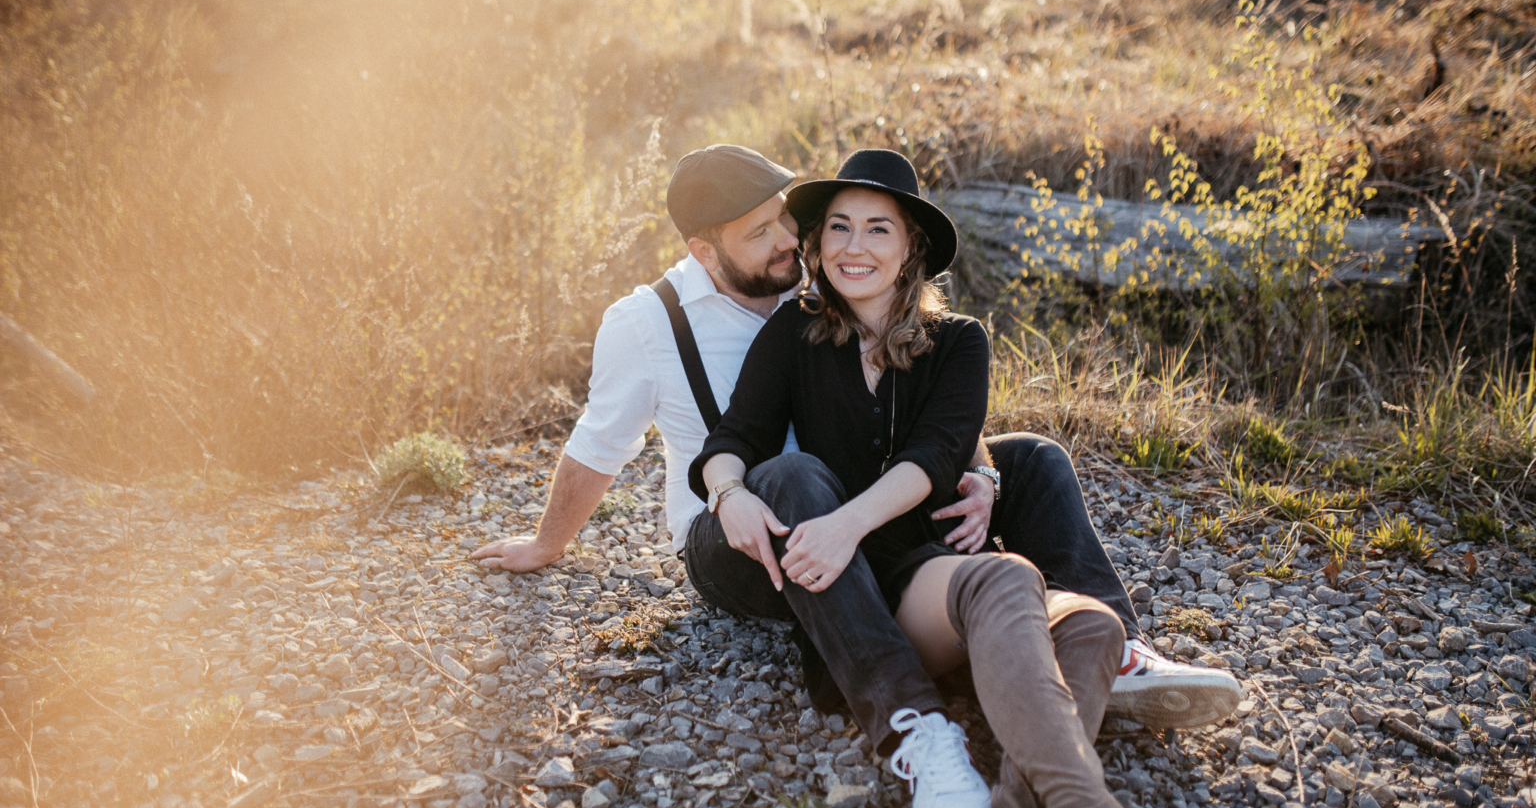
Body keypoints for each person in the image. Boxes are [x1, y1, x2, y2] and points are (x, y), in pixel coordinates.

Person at [470, 143, 1241, 734]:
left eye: (786, 217)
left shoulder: (817, 286)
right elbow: (601, 445)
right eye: (760, 231)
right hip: (744, 533)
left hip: (857, 503)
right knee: (797, 472)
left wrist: (982, 473)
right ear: (706, 252)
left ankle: (1128, 655)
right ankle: (903, 690)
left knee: (1032, 456)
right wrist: (547, 545)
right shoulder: (647, 324)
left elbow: (929, 417)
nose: (790, 238)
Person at [689, 149, 1240, 808]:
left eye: (878, 228)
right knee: (1003, 576)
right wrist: (730, 492)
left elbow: (937, 456)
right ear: (816, 246)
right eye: (838, 226)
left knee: (1088, 622)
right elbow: (732, 438)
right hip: (844, 596)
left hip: (913, 570)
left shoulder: (960, 343)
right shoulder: (795, 334)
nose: (854, 245)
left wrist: (878, 511)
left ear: (912, 246)